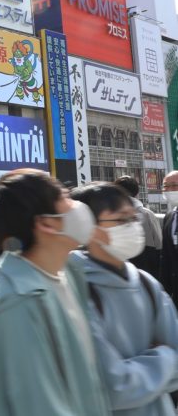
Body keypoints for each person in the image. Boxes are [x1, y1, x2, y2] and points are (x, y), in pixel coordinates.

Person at [0, 169, 110, 416]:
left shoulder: (69, 272)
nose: (76, 205)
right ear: (46, 223)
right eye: (64, 197)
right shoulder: (18, 304)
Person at [71, 182, 178, 415]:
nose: (133, 226)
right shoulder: (74, 288)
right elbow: (111, 386)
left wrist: (134, 370)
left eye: (133, 218)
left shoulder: (146, 283)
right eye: (121, 220)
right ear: (88, 228)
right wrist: (165, 357)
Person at [114, 175, 162, 279]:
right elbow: (159, 243)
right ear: (137, 193)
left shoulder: (110, 214)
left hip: (120, 267)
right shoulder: (147, 214)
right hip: (147, 264)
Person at [160, 171, 178, 307]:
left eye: (174, 185)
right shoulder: (170, 217)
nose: (169, 190)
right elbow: (166, 256)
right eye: (165, 186)